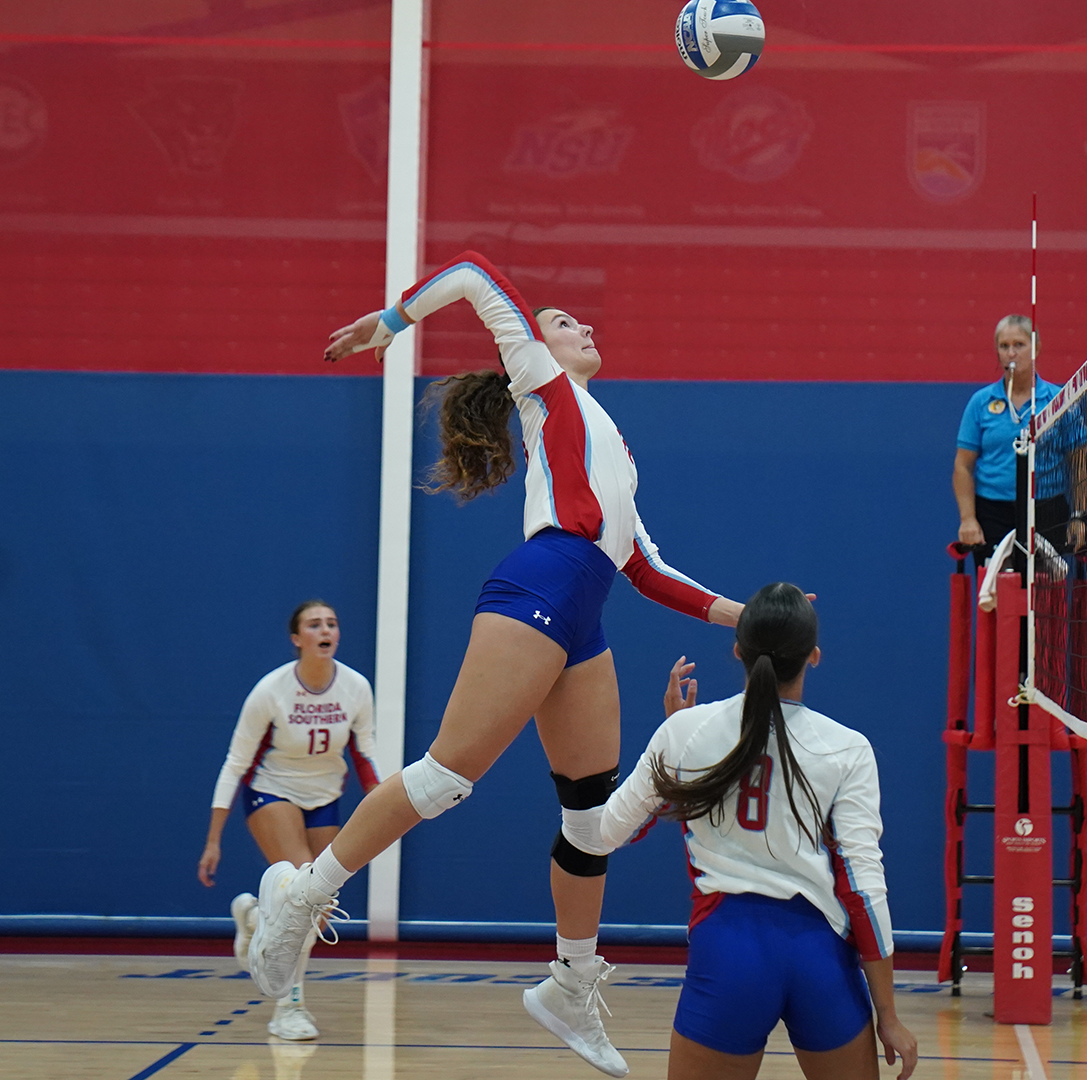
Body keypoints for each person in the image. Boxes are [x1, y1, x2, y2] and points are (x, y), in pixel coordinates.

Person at [246, 250, 746, 1078]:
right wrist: (396, 320)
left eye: (575, 323)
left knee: (589, 818)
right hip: (543, 584)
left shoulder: (606, 438)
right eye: (560, 321)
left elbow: (648, 567)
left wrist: (753, 616)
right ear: (533, 350)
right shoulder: (541, 382)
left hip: (585, 603)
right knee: (448, 775)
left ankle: (570, 984)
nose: (580, 326)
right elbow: (476, 272)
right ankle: (301, 895)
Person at [570, 583, 916, 1080]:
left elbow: (606, 835)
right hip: (821, 959)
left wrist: (673, 750)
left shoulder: (684, 731)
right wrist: (889, 1014)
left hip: (728, 953)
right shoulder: (849, 748)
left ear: (738, 650)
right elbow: (864, 889)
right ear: (813, 657)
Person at [197, 599, 379, 1041]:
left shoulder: (355, 688)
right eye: (314, 624)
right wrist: (214, 838)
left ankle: (256, 921)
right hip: (271, 792)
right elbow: (235, 764)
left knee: (317, 911)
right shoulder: (271, 691)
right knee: (302, 895)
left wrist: (385, 805)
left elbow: (365, 755)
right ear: (297, 639)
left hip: (325, 799)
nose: (325, 630)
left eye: (332, 623)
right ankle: (288, 1007)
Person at [953, 314, 1087, 564]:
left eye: (1019, 345)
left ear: (1036, 348)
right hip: (994, 512)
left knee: (1045, 596)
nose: (1011, 353)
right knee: (997, 595)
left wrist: (1079, 517)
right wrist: (968, 519)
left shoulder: (1060, 401)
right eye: (1004, 346)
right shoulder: (981, 403)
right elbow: (963, 466)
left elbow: (1080, 461)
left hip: (1047, 509)